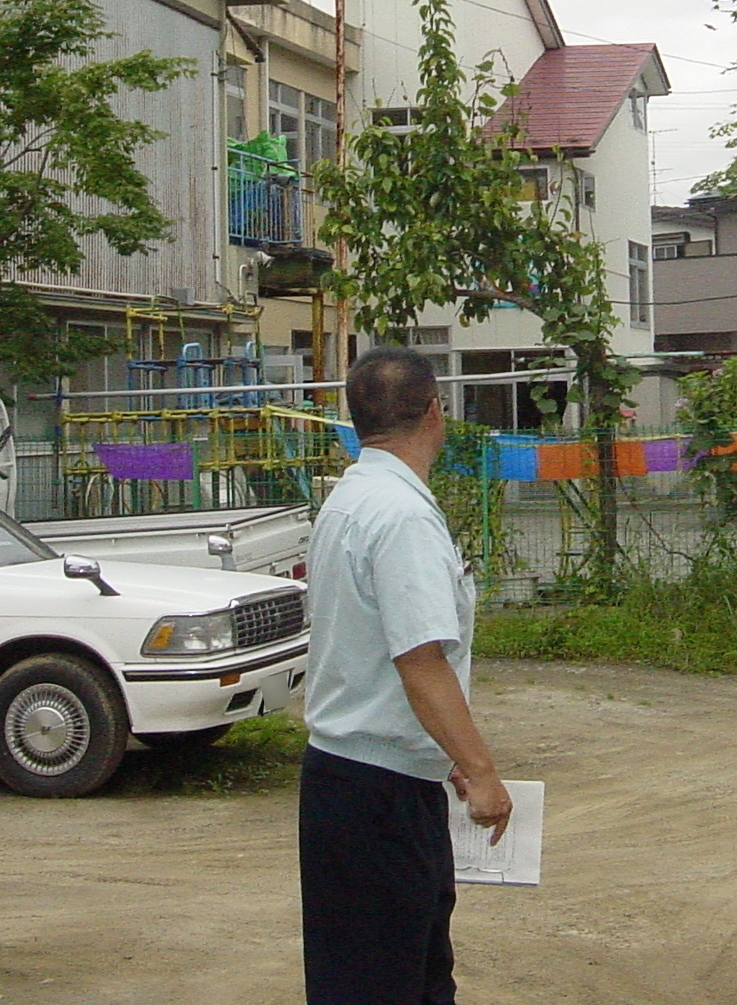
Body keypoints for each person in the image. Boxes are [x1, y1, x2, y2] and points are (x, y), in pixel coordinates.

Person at [299, 347, 512, 1005]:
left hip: (349, 778)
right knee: (390, 981)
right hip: (381, 795)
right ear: (434, 412)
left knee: (381, 976)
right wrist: (480, 770)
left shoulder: (349, 500)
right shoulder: (403, 516)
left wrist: (445, 754)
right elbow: (420, 661)